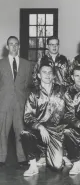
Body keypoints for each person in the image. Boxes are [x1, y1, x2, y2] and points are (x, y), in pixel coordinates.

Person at [21, 63, 66, 176]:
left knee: (57, 167)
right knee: (25, 133)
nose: (47, 75)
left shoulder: (61, 91)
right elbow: (27, 116)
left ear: (54, 76)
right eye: (44, 72)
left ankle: (50, 155)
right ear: (39, 75)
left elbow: (69, 112)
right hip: (40, 130)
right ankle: (33, 166)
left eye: (50, 72)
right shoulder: (33, 94)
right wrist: (40, 127)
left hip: (56, 130)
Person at [0, 36, 33, 167]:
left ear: (19, 46)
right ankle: (1, 157)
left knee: (21, 130)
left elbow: (29, 85)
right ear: (7, 47)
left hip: (21, 103)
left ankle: (22, 158)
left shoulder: (27, 64)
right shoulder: (0, 63)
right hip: (4, 103)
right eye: (11, 44)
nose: (13, 47)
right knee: (2, 131)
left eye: (16, 44)